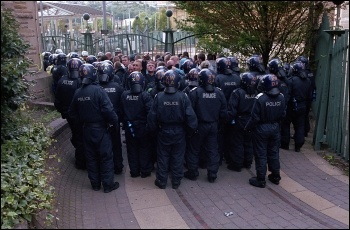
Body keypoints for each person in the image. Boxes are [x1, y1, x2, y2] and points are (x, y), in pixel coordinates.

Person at [68, 63, 119, 193]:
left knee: (91, 158)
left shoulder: (77, 92)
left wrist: (81, 122)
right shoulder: (98, 91)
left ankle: (95, 184)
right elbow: (109, 110)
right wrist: (114, 123)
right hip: (101, 129)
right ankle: (108, 185)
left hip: (86, 130)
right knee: (105, 157)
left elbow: (72, 113)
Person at [147, 69, 198, 189]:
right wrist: (190, 131)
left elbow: (152, 116)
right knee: (178, 156)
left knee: (163, 156)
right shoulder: (183, 97)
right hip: (179, 131)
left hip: (163, 131)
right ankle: (176, 181)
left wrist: (152, 131)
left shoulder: (159, 97)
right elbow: (190, 116)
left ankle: (162, 180)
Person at [184, 68, 227, 183]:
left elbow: (190, 112)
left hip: (199, 126)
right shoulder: (219, 92)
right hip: (213, 125)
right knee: (213, 149)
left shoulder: (195, 92)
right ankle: (212, 174)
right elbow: (224, 111)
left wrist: (191, 127)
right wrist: (220, 125)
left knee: (194, 149)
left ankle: (192, 172)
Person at [244, 74, 286, 188]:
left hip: (261, 129)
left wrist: (247, 128)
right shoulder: (281, 97)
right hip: (275, 127)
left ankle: (261, 179)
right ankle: (276, 176)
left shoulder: (260, 98)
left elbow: (255, 117)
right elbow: (283, 115)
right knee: (274, 152)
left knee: (261, 154)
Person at [120, 71, 154, 178]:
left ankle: (134, 171)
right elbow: (150, 112)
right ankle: (145, 171)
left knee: (132, 149)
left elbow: (121, 111)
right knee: (144, 149)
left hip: (130, 127)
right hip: (143, 127)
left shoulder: (125, 95)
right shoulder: (145, 96)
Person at [54, 57, 86, 170]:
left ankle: (80, 159)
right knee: (81, 137)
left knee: (76, 135)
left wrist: (63, 112)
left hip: (68, 114)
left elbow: (57, 99)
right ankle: (81, 161)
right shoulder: (80, 81)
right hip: (78, 115)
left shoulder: (62, 81)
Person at [97, 62, 125, 175]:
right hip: (115, 120)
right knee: (116, 144)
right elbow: (123, 104)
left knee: (102, 145)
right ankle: (118, 166)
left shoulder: (97, 88)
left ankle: (104, 167)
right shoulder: (117, 87)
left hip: (101, 122)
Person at [227, 72, 257, 172]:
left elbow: (232, 109)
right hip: (251, 119)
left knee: (237, 142)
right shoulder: (256, 93)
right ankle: (247, 162)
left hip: (240, 120)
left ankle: (236, 164)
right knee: (248, 142)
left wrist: (229, 120)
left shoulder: (237, 92)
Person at [280, 61, 312, 152]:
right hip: (302, 106)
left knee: (286, 124)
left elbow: (288, 94)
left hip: (291, 105)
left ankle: (285, 144)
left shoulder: (292, 80)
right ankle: (298, 146)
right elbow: (309, 96)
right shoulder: (308, 81)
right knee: (300, 126)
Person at [214, 57, 241, 165]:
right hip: (235, 111)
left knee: (220, 137)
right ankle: (231, 158)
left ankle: (219, 158)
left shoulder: (218, 78)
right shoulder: (237, 78)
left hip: (222, 111)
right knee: (233, 137)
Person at [297, 56, 315, 137]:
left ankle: (303, 132)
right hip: (309, 96)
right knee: (305, 114)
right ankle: (305, 131)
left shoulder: (304, 73)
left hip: (304, 97)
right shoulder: (310, 73)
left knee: (302, 116)